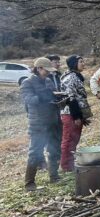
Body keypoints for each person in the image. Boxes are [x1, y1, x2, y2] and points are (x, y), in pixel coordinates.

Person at [20, 58, 62, 190]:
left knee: (54, 149)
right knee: (35, 152)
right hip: (38, 123)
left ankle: (54, 176)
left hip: (53, 120)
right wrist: (42, 96)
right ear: (38, 68)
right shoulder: (27, 83)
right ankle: (29, 183)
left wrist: (59, 98)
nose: (48, 73)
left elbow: (53, 96)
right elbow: (29, 100)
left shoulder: (48, 81)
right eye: (46, 70)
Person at [60, 55, 92, 172]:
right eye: (81, 62)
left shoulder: (77, 76)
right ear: (74, 63)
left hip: (76, 113)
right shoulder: (70, 77)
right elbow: (71, 98)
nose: (83, 64)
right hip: (70, 114)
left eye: (83, 61)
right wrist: (76, 116)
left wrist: (82, 116)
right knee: (69, 139)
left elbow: (79, 97)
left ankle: (70, 163)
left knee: (74, 139)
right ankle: (66, 166)